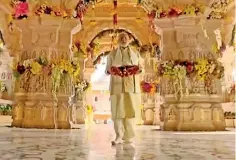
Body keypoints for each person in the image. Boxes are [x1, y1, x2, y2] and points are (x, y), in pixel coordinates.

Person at [105, 32, 144, 145]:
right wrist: (112, 70)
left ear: (129, 39)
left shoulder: (136, 53)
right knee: (118, 111)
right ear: (118, 40)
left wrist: (137, 69)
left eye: (125, 38)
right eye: (121, 38)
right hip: (117, 86)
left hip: (131, 86)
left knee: (130, 110)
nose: (123, 39)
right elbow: (107, 70)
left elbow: (141, 68)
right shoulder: (111, 54)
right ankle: (118, 135)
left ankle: (129, 136)